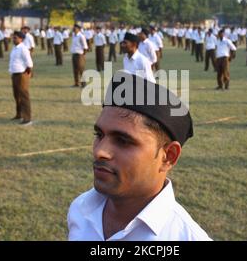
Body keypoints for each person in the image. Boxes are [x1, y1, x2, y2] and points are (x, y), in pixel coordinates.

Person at [68, 72, 211, 241]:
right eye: (99, 134)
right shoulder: (81, 209)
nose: (100, 151)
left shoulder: (184, 237)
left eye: (123, 141)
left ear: (168, 157)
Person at [9, 31, 34, 126]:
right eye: (13, 37)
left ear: (21, 39)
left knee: (24, 96)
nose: (13, 39)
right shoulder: (14, 48)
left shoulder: (23, 49)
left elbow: (29, 63)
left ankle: (27, 118)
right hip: (14, 74)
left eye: (15, 38)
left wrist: (26, 73)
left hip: (21, 75)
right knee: (17, 96)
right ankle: (19, 114)